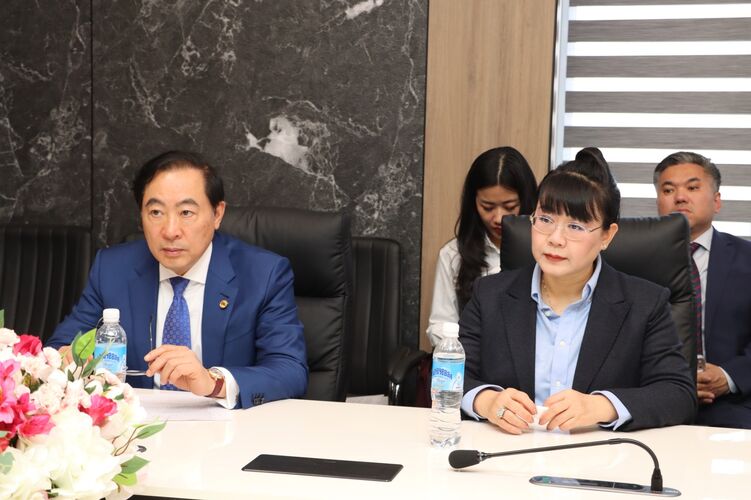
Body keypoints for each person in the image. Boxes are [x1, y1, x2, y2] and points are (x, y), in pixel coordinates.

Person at [460, 147, 696, 433]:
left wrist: (603, 406)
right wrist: (486, 401)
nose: (555, 239)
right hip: (508, 447)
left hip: (600, 453)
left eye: (575, 226)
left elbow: (678, 393)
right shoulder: (489, 295)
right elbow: (450, 375)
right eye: (545, 220)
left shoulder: (645, 303)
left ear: (607, 236)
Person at [47, 151, 308, 409]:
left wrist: (213, 382)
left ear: (217, 214)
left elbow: (290, 370)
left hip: (226, 425)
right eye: (156, 212)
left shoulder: (263, 274)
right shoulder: (113, 269)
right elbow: (60, 348)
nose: (170, 231)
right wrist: (70, 359)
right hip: (135, 423)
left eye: (186, 212)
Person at [654, 152, 751, 429]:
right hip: (656, 401)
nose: (680, 197)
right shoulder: (634, 262)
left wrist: (728, 376)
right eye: (668, 190)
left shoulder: (747, 258)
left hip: (735, 404)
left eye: (693, 188)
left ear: (716, 201)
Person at [427, 146, 537, 346]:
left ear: (527, 199)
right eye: (487, 207)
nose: (498, 218)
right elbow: (441, 325)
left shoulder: (547, 250)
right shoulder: (453, 255)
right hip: (472, 356)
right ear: (473, 203)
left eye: (510, 206)